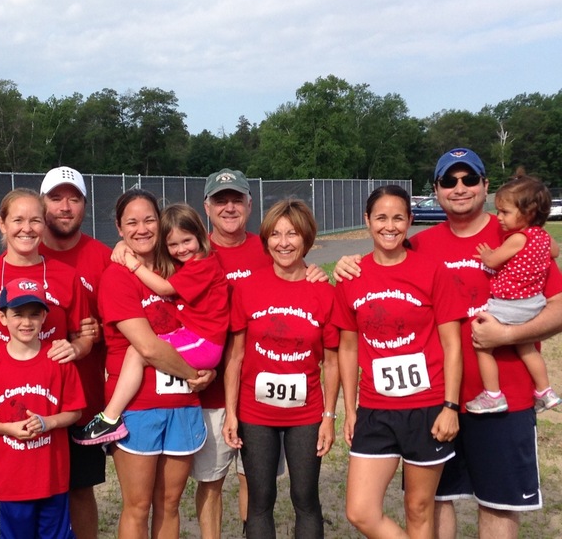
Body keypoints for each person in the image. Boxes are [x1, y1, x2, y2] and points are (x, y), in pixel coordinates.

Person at [334, 148, 562, 539]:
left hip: (502, 395)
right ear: (436, 190)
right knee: (435, 501)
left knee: (498, 503)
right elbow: (384, 263)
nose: (460, 188)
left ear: (485, 186)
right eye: (449, 181)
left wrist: (507, 335)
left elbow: (557, 306)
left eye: (469, 179)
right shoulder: (422, 244)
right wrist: (344, 264)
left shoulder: (515, 236)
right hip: (432, 400)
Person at [194, 168, 325, 538]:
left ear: (250, 204)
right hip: (209, 393)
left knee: (255, 486)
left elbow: (295, 273)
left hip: (259, 397)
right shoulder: (193, 249)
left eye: (237, 199)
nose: (229, 207)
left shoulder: (267, 246)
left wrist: (319, 274)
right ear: (207, 206)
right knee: (211, 485)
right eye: (220, 200)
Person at [0, 187, 92, 536]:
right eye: (17, 219)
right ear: (2, 224)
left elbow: (85, 334)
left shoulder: (65, 275)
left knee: (65, 495)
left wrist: (76, 349)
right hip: (5, 409)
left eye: (35, 220)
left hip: (53, 404)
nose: (27, 228)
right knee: (4, 505)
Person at [333, 185, 463, 538]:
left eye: (398, 218)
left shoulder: (432, 270)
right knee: (360, 510)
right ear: (367, 221)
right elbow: (347, 347)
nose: (389, 226)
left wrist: (450, 406)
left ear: (409, 221)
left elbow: (452, 344)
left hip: (427, 407)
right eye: (380, 218)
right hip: (376, 408)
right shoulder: (351, 276)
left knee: (419, 509)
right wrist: (351, 407)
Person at [98, 189, 214, 538]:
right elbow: (147, 347)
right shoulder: (117, 277)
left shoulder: (178, 268)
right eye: (131, 222)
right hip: (139, 408)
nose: (142, 228)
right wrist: (195, 374)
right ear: (119, 228)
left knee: (169, 502)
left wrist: (208, 371)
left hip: (182, 405)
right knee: (138, 506)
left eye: (149, 219)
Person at [222, 199, 340, 538]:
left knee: (305, 498)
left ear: (307, 239)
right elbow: (235, 357)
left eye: (292, 234)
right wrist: (231, 413)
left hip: (305, 414)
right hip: (255, 413)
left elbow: (331, 362)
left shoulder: (323, 291)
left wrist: (329, 417)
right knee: (260, 499)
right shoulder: (247, 288)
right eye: (275, 234)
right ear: (265, 239)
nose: (283, 242)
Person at [76, 202, 229, 445]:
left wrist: (132, 263)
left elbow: (164, 287)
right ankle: (111, 417)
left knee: (138, 351)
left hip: (203, 343)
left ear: (201, 237)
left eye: (187, 241)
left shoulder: (200, 265)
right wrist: (124, 245)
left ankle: (110, 417)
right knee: (140, 349)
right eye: (173, 244)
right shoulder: (183, 263)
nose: (180, 249)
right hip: (192, 343)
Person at [0, 277, 85, 539]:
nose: (26, 322)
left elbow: (75, 411)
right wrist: (8, 427)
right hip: (9, 484)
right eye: (18, 314)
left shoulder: (59, 360)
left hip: (52, 480)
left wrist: (48, 422)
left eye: (34, 314)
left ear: (45, 317)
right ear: (1, 317)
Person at [38, 166, 112, 539]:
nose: (65, 207)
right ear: (43, 203)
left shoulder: (104, 258)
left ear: (84, 204)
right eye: (56, 198)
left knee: (81, 489)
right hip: (32, 399)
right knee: (31, 492)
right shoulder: (25, 254)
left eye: (74, 198)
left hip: (84, 399)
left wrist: (97, 331)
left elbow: (123, 321)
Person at [466, 173, 562, 414]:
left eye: (505, 212)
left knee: (481, 344)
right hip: (534, 303)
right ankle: (544, 390)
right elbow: (555, 252)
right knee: (527, 347)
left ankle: (493, 395)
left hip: (510, 304)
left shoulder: (518, 238)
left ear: (528, 213)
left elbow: (495, 260)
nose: (499, 218)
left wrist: (487, 255)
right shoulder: (543, 237)